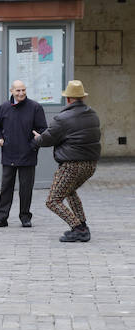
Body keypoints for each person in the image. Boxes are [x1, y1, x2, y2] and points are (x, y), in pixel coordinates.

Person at [33, 80, 101, 243]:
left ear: (68, 98)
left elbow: (47, 139)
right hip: (90, 165)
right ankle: (82, 224)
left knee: (53, 200)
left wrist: (37, 139)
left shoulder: (63, 118)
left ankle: (78, 229)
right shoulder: (93, 114)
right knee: (69, 191)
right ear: (82, 98)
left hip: (71, 165)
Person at [0, 80, 47, 228]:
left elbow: (43, 130)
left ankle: (25, 217)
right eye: (18, 91)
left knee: (26, 188)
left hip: (28, 154)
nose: (21, 93)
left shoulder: (35, 107)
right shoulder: (4, 107)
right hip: (9, 153)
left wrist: (33, 145)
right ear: (11, 91)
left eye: (23, 90)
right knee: (6, 188)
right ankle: (1, 217)